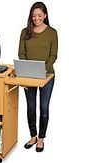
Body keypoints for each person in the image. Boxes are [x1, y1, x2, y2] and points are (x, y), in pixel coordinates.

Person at [18, 2, 58, 152]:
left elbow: (53, 55)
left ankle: (41, 138)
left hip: (47, 76)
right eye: (34, 16)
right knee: (30, 108)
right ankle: (33, 136)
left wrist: (43, 71)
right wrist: (25, 75)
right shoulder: (25, 32)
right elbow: (21, 54)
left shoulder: (52, 32)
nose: (36, 18)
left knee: (44, 108)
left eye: (40, 15)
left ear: (45, 16)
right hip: (29, 77)